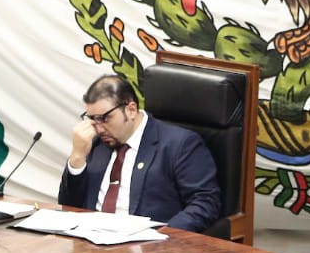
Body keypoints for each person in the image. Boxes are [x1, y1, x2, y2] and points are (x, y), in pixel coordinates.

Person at [58, 74, 221, 233]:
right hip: (90, 239)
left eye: (105, 118)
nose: (99, 128)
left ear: (131, 110)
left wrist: (164, 235)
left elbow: (205, 202)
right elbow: (68, 206)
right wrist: (77, 157)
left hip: (149, 244)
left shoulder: (179, 144)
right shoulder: (94, 142)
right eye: (93, 119)